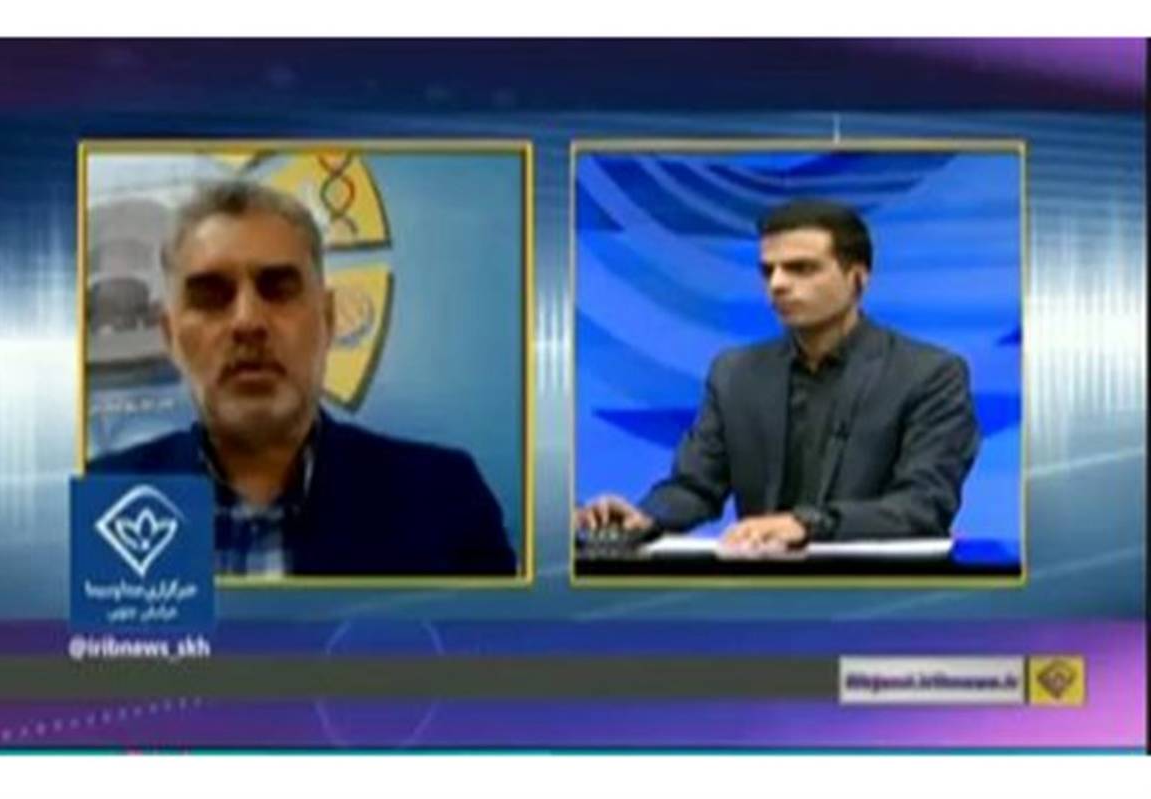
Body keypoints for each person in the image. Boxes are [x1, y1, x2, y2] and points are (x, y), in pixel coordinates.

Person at [90, 180, 517, 577]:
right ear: (170, 338)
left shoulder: (445, 501)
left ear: (328, 320)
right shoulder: (98, 501)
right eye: (212, 296)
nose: (248, 321)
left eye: (278, 289)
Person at [575, 198, 981, 557]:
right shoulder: (735, 374)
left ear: (858, 277)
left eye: (801, 268)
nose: (778, 284)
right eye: (768, 270)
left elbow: (923, 505)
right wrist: (646, 516)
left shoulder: (930, 374)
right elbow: (695, 487)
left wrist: (806, 525)